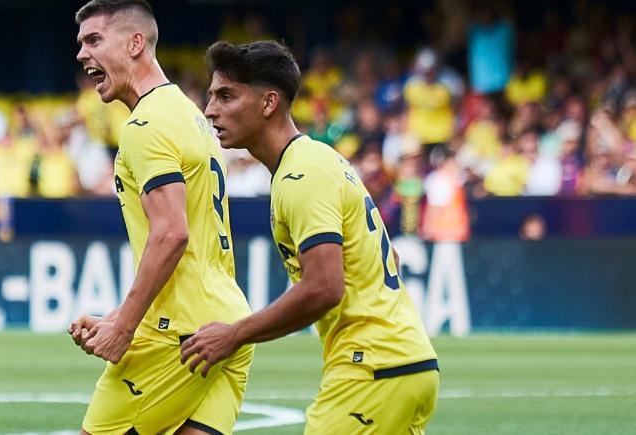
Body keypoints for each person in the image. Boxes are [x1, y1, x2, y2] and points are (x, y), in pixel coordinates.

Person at [181, 40, 439, 434]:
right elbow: (387, 259)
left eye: (226, 96)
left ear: (268, 103)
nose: (210, 109)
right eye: (212, 95)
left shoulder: (302, 175)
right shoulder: (320, 160)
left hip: (371, 368)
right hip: (403, 361)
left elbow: (324, 287)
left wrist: (234, 335)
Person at [68, 1, 253, 434]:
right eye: (80, 43)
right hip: (227, 325)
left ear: (135, 43)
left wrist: (124, 328)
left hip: (178, 336)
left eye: (94, 40)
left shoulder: (146, 125)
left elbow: (172, 234)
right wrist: (117, 316)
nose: (81, 54)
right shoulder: (191, 114)